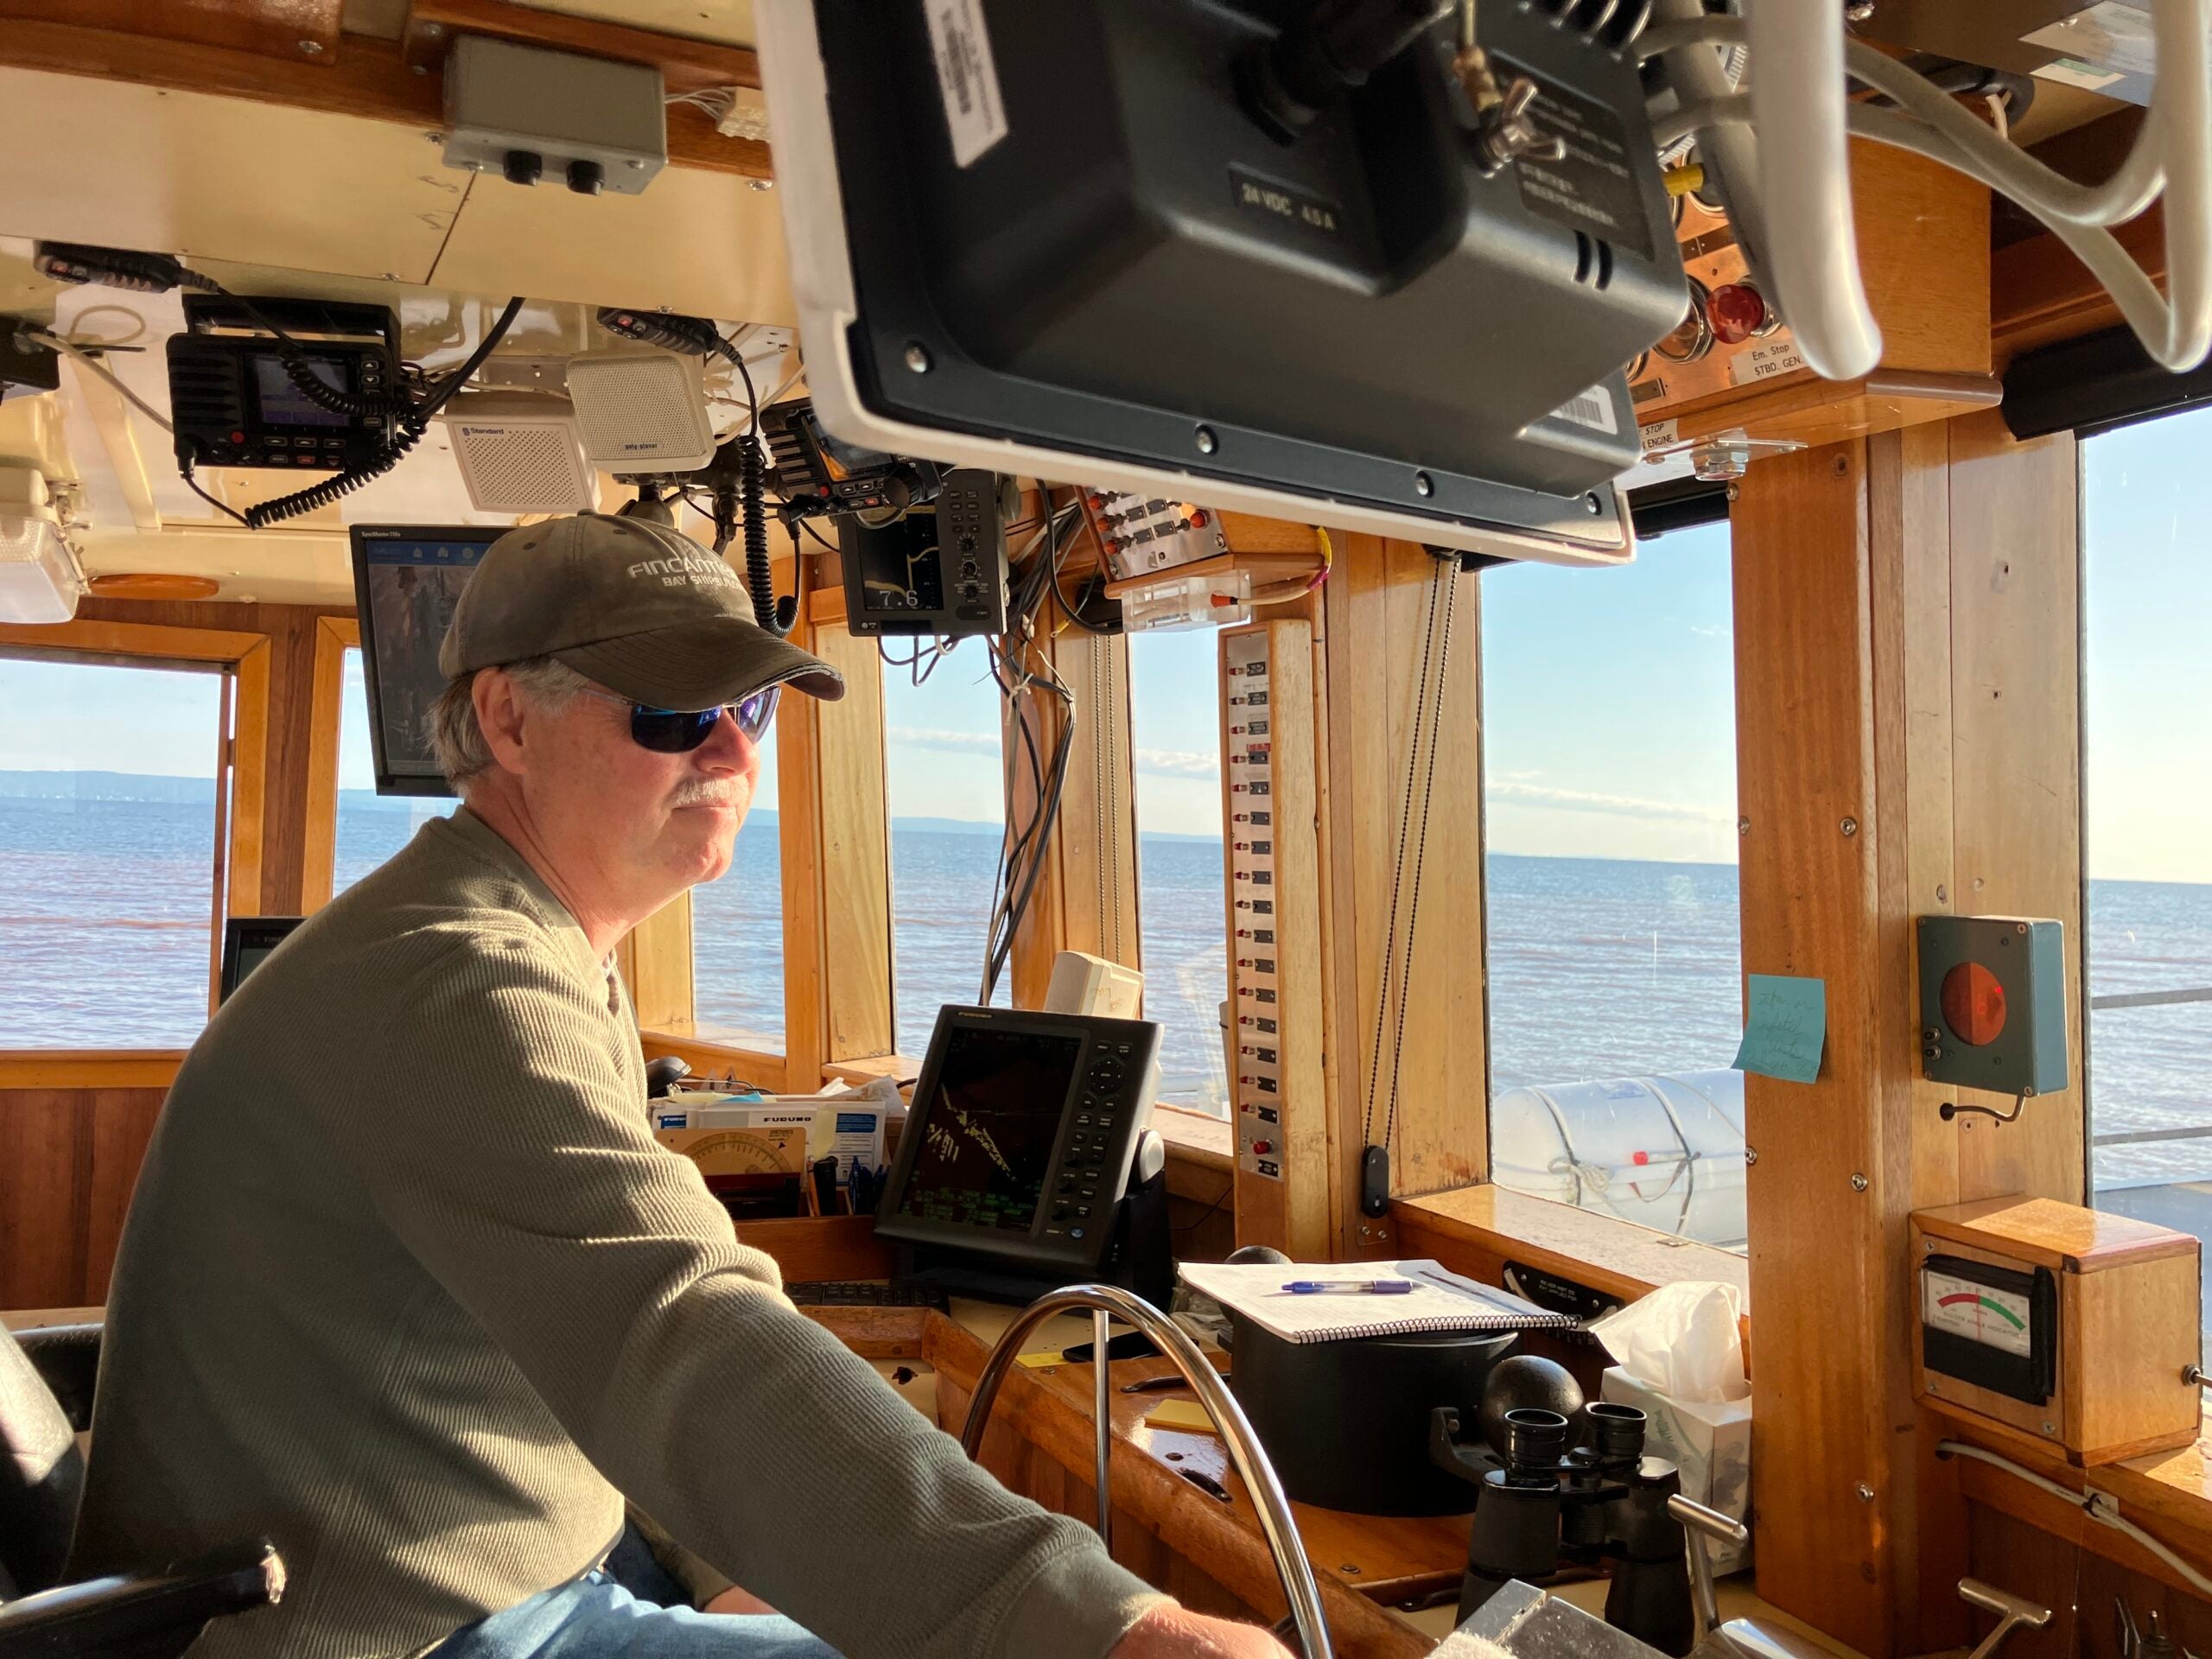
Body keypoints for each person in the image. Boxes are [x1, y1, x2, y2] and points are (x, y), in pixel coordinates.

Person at [69, 513, 1288, 1659]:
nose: (731, 748)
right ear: (508, 719)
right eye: (671, 711)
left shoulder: (535, 945)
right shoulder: (456, 982)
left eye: (749, 705)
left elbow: (595, 1345)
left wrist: (715, 1564)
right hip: (395, 1624)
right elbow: (679, 1333)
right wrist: (1099, 1627)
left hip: (505, 1570)